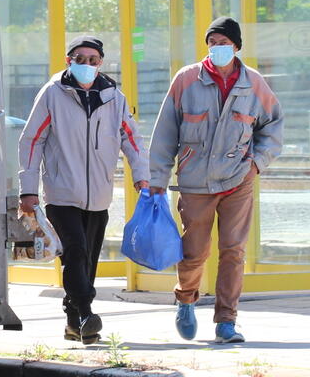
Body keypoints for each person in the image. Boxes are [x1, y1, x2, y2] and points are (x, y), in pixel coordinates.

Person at [147, 17, 283, 344]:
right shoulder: (187, 80)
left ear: (236, 47)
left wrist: (256, 165)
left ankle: (226, 321)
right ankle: (185, 298)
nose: (218, 48)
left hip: (238, 180)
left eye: (224, 43)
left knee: (233, 250)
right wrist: (156, 178)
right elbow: (165, 133)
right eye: (213, 42)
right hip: (195, 183)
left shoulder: (254, 83)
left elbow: (273, 127)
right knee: (194, 251)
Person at [17, 36, 149, 344]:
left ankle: (74, 321)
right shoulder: (53, 93)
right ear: (69, 60)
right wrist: (28, 189)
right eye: (80, 59)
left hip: (99, 194)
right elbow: (32, 140)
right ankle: (88, 311)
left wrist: (141, 175)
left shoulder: (113, 97)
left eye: (93, 60)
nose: (87, 64)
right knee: (74, 251)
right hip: (61, 191)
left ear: (100, 63)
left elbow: (131, 138)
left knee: (86, 258)